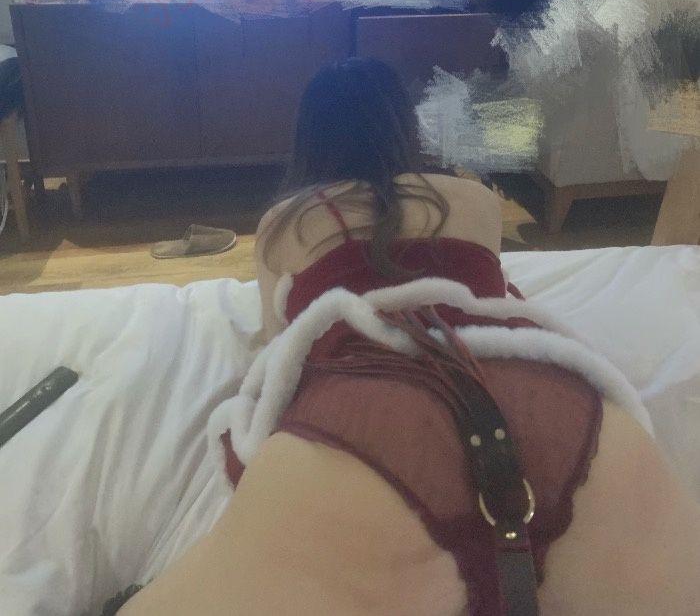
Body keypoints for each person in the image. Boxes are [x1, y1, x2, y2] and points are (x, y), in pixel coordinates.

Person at [120, 59, 700, 615]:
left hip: (363, 412)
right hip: (539, 395)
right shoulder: (474, 199)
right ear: (403, 125)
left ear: (308, 137)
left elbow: (281, 351)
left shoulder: (285, 221)